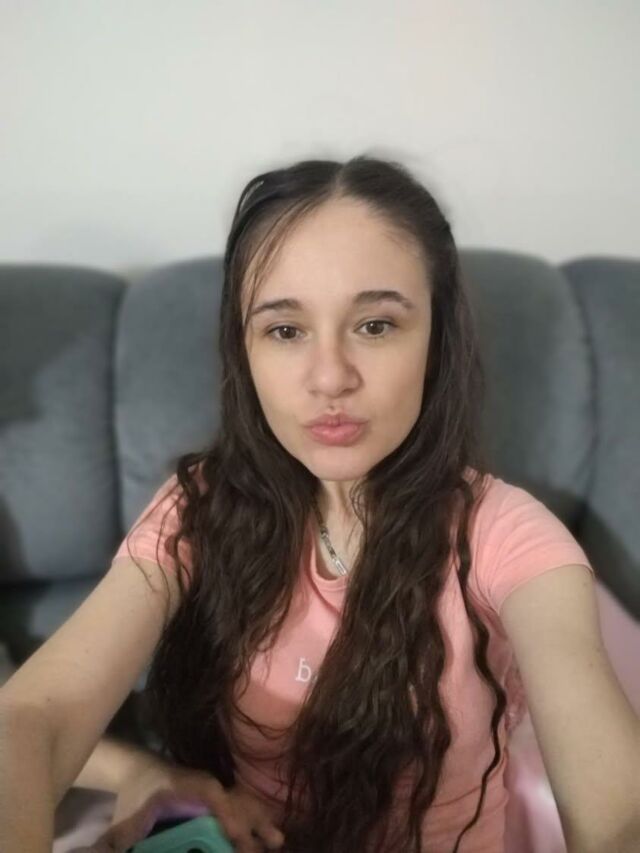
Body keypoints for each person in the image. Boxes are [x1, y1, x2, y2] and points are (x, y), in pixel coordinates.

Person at [1, 155, 638, 853]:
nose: (330, 377)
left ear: (436, 340)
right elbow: (35, 717)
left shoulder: (509, 538)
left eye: (376, 325)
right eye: (285, 330)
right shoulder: (198, 509)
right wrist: (142, 771)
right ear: (244, 352)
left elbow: (614, 801)